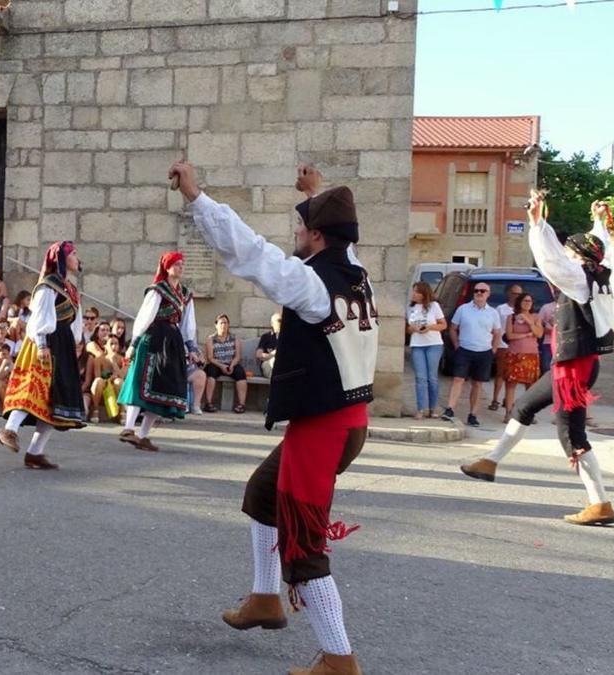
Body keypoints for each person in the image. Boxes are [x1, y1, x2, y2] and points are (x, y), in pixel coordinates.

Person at [175, 160, 377, 675]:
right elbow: (340, 237)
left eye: (300, 227)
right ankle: (266, 600)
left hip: (323, 428)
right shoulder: (355, 273)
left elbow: (252, 254)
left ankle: (339, 659)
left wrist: (199, 199)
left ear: (315, 236)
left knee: (304, 545)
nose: (294, 234)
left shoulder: (312, 287)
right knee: (262, 494)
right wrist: (317, 193)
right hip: (346, 422)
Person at [460, 199, 614, 526]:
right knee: (524, 407)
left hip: (573, 369)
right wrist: (598, 220)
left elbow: (552, 260)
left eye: (572, 253)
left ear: (579, 257)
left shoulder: (578, 277)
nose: (569, 256)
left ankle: (600, 503)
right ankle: (490, 461)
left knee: (572, 436)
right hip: (574, 364)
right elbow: (597, 246)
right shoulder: (600, 271)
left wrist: (537, 224)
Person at [0, 241, 86, 469]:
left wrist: (76, 342)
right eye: (73, 254)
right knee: (33, 389)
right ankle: (9, 430)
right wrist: (43, 344)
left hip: (63, 344)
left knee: (54, 400)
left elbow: (75, 319)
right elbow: (38, 319)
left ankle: (35, 452)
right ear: (62, 259)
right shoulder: (48, 286)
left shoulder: (70, 289)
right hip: (45, 344)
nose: (77, 257)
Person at [117, 251, 199, 452]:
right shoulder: (157, 290)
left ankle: (143, 436)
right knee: (140, 383)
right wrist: (133, 344)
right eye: (177, 264)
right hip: (153, 339)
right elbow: (144, 317)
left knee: (164, 388)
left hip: (173, 343)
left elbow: (188, 323)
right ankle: (128, 428)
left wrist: (192, 348)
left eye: (182, 264)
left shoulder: (186, 294)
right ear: (167, 267)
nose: (181, 267)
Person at [441, 283, 501, 427]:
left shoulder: (493, 313)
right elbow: (453, 328)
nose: (479, 293)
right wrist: (457, 345)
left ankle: (473, 414)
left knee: (478, 383)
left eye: (483, 291)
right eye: (476, 291)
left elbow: (497, 333)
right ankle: (450, 409)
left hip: (484, 351)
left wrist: (493, 349)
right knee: (458, 379)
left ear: (488, 294)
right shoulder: (463, 309)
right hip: (465, 349)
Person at [406, 282, 447, 419]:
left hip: (433, 343)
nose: (414, 294)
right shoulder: (411, 308)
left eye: (417, 292)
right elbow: (408, 328)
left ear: (424, 294)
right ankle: (420, 409)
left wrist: (429, 327)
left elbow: (443, 325)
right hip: (417, 344)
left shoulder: (434, 306)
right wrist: (413, 329)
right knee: (420, 378)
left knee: (432, 377)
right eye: (414, 291)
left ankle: (433, 408)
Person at [501, 293, 543, 422]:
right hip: (515, 354)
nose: (527, 303)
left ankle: (528, 412)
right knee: (511, 384)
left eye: (529, 301)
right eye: (525, 300)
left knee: (530, 385)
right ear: (519, 302)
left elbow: (539, 334)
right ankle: (509, 412)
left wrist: (529, 321)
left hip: (531, 354)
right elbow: (510, 335)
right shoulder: (511, 317)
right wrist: (526, 335)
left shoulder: (536, 317)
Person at [204, 314, 248, 414]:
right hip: (216, 363)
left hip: (231, 363)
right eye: (221, 323)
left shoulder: (235, 338)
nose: (224, 325)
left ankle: (241, 404)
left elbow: (237, 356)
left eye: (226, 323)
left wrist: (232, 365)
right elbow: (210, 358)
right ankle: (208, 403)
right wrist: (221, 366)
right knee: (211, 371)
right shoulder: (211, 339)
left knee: (240, 373)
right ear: (216, 325)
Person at [488, 284, 522, 411]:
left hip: (517, 346)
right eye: (514, 293)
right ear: (508, 294)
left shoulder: (522, 310)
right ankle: (495, 399)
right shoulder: (501, 309)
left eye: (519, 294)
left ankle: (508, 400)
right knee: (500, 373)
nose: (517, 296)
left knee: (514, 376)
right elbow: (495, 327)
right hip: (503, 344)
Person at [538, 289, 558, 376]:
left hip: (564, 344)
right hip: (548, 343)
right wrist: (549, 331)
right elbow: (538, 325)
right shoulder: (546, 307)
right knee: (546, 369)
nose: (558, 295)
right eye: (556, 293)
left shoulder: (569, 307)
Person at [256, 313, 281, 377]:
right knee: (273, 361)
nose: (281, 323)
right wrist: (272, 354)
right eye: (279, 320)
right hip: (267, 365)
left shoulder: (286, 338)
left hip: (282, 365)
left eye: (282, 321)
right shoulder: (266, 337)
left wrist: (267, 356)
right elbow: (258, 354)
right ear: (272, 323)